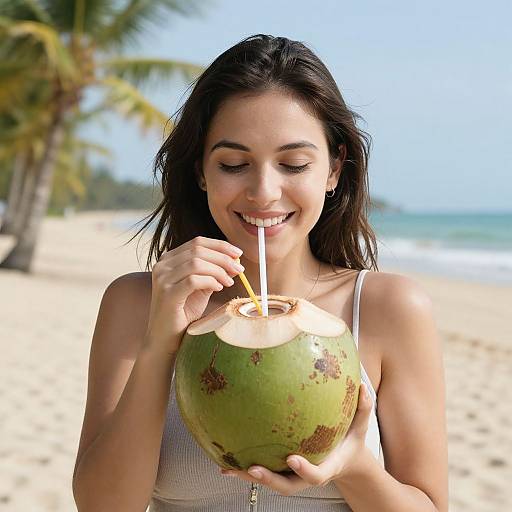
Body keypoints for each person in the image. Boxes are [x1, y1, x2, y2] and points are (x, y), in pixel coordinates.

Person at [72, 34, 448, 512]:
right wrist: (159, 345)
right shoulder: (136, 304)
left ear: (333, 170)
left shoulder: (388, 309)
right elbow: (101, 506)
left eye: (293, 164)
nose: (264, 191)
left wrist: (354, 466)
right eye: (234, 164)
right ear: (201, 171)